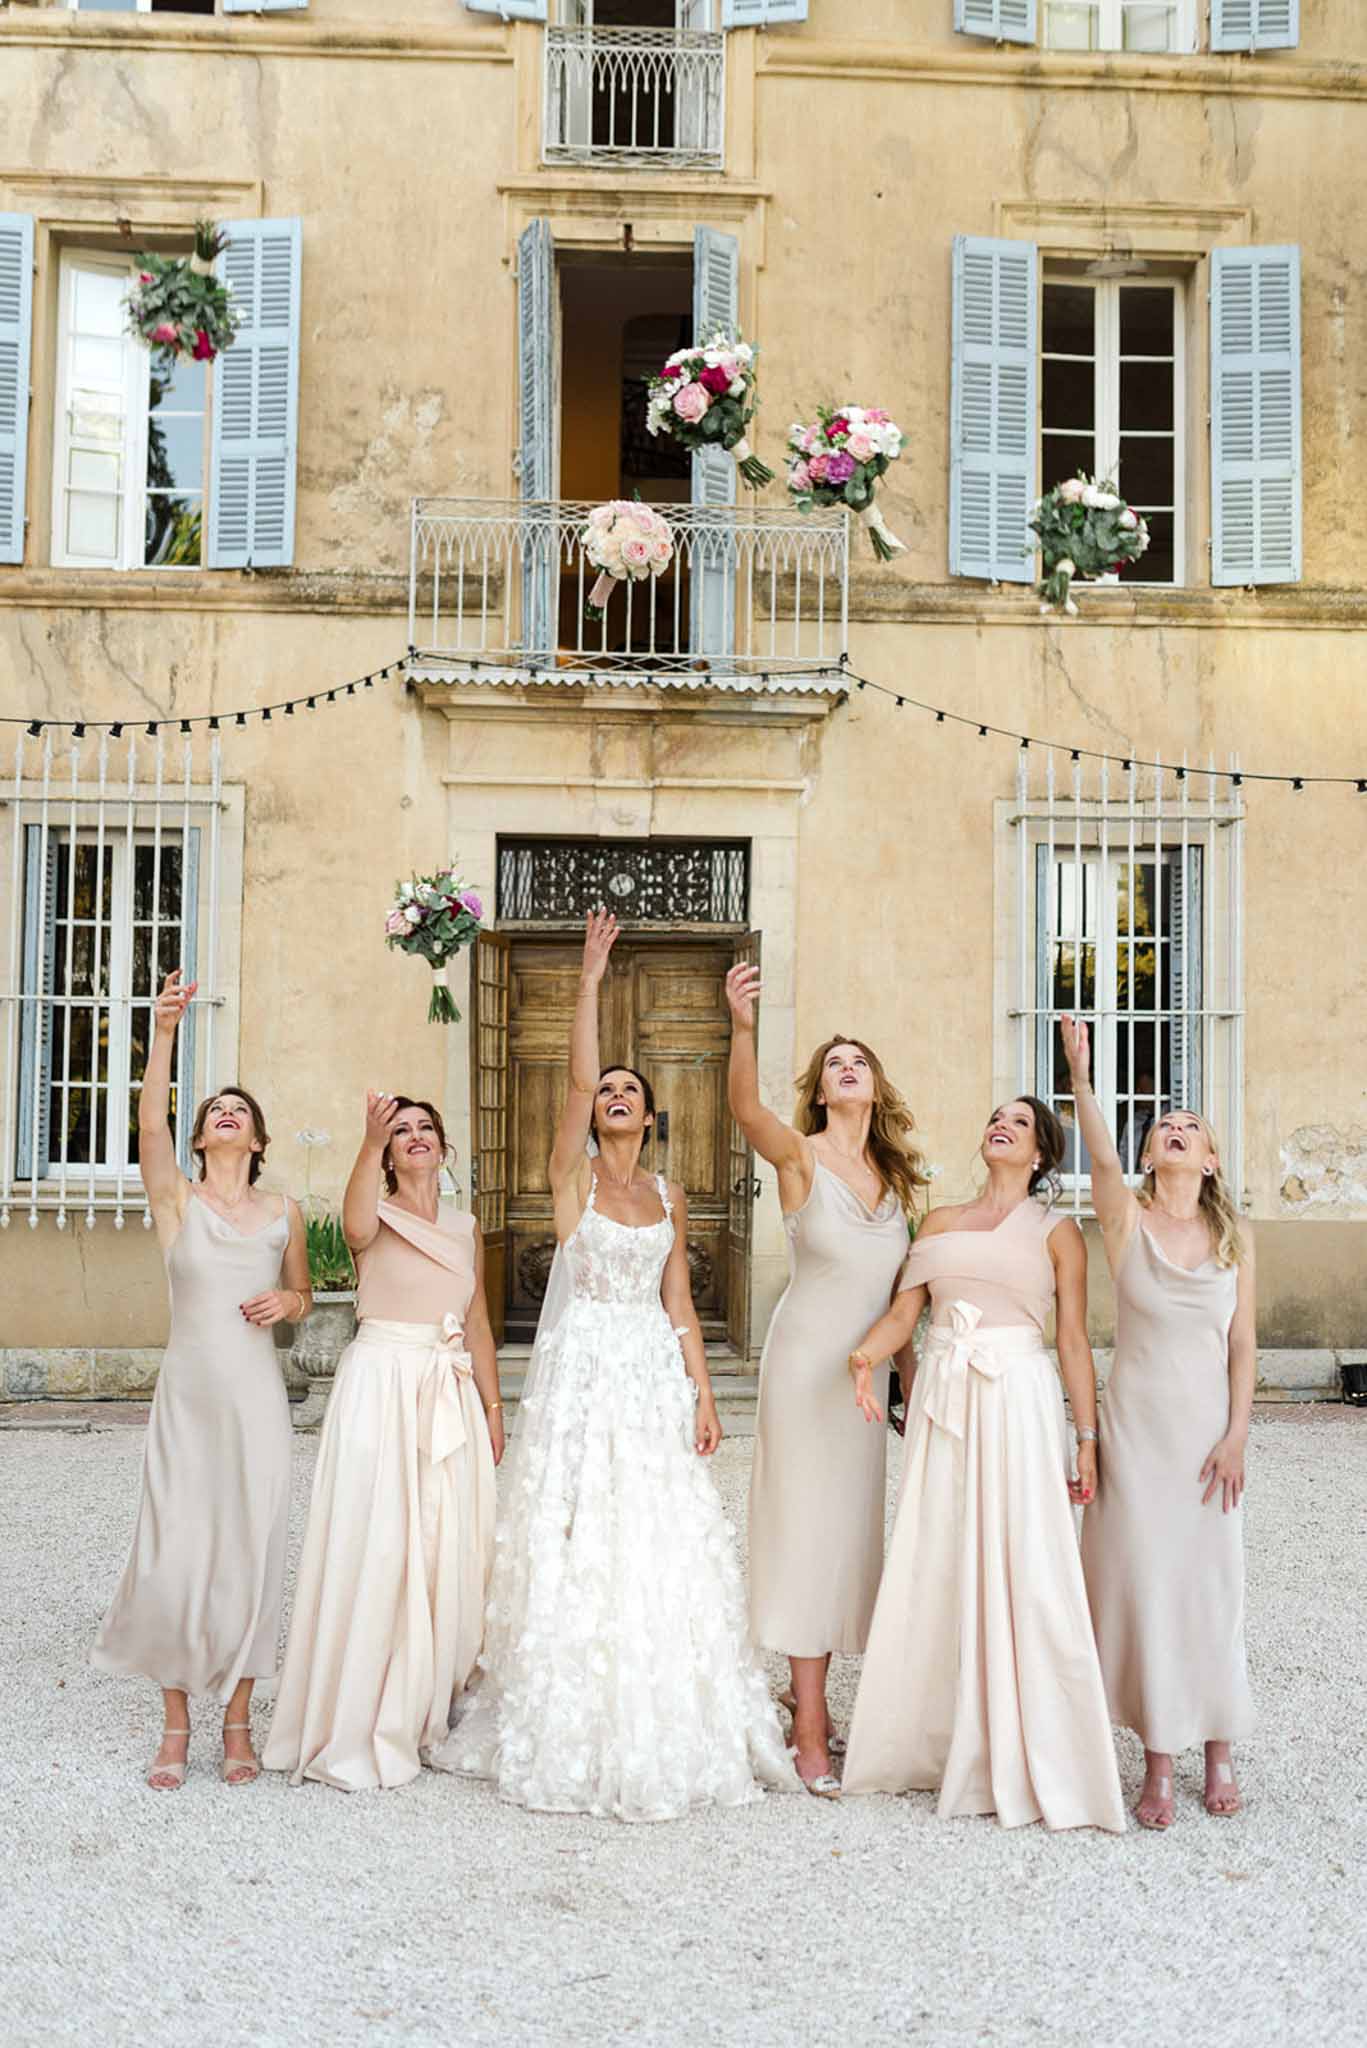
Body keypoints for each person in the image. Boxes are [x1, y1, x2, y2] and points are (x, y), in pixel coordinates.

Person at [435, 910, 797, 1821]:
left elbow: (680, 1305)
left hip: (649, 1368)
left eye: (631, 1089)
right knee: (579, 1519)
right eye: (608, 1091)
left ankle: (658, 1685)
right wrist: (591, 978)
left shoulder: (669, 1193)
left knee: (654, 1520)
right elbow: (575, 1077)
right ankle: (568, 1693)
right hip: (585, 1366)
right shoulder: (574, 1177)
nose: (616, 1095)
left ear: (651, 1112)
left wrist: (703, 1395)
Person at [840, 1096, 1125, 1833]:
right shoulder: (936, 1222)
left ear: (1041, 1154)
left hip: (1016, 1399)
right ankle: (931, 1738)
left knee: (1025, 1558)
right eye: (995, 1116)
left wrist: (1086, 1436)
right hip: (945, 1398)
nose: (1001, 1124)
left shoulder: (1058, 1231)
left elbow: (1070, 1340)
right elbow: (904, 1316)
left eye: (1020, 1122)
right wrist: (865, 1357)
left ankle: (1032, 1741)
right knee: (936, 1553)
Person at [92, 969, 310, 1789]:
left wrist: (289, 1299)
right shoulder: (175, 1204)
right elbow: (148, 1122)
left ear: (255, 1141)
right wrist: (164, 1032)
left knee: (253, 1552)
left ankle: (239, 1722)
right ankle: (176, 1724)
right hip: (186, 1401)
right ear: (200, 1138)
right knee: (176, 1555)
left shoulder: (284, 1212)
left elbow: (304, 1296)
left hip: (256, 1403)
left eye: (239, 1110)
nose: (226, 1112)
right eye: (216, 1109)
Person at [725, 964, 927, 1795]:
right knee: (806, 1532)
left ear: (874, 1087)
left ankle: (811, 1697)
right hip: (806, 1368)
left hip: (865, 1383)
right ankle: (808, 1725)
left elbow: (903, 1295)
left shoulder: (898, 1180)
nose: (847, 1069)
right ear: (819, 1091)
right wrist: (742, 1026)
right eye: (834, 1064)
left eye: (858, 1062)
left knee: (848, 1536)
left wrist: (910, 1381)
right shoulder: (799, 1158)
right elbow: (745, 1112)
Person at [263, 1094, 502, 1791]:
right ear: (390, 1153)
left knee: (445, 1541)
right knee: (382, 1538)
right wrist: (368, 1141)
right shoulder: (375, 1216)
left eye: (425, 1127)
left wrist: (492, 1408)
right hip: (381, 1384)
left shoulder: (465, 1226)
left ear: (443, 1147)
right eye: (401, 1131)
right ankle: (367, 1697)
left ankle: (430, 1692)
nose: (414, 1136)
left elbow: (477, 1322)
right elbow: (355, 1224)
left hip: (448, 1385)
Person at [1062, 1017, 1255, 1828]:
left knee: (1210, 1589)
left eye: (1190, 1127)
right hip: (1136, 1436)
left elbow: (1241, 1345)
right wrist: (1080, 1077)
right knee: (1145, 1588)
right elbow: (1099, 1159)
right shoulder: (1124, 1224)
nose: (1174, 1130)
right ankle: (1158, 1761)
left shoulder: (1234, 1238)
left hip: (1207, 1440)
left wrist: (1236, 1434)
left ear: (1209, 1159)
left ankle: (1218, 1750)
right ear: (1148, 1155)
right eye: (1163, 1127)